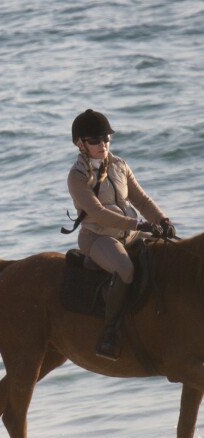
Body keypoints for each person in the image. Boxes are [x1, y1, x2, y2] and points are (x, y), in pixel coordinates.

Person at [66, 109, 176, 361]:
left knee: (169, 251)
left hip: (130, 233)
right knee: (125, 269)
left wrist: (161, 219)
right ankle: (110, 333)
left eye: (106, 138)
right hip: (98, 237)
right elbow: (98, 213)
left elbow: (141, 198)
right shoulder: (77, 177)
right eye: (95, 140)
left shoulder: (119, 165)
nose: (103, 144)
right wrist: (138, 224)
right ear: (81, 144)